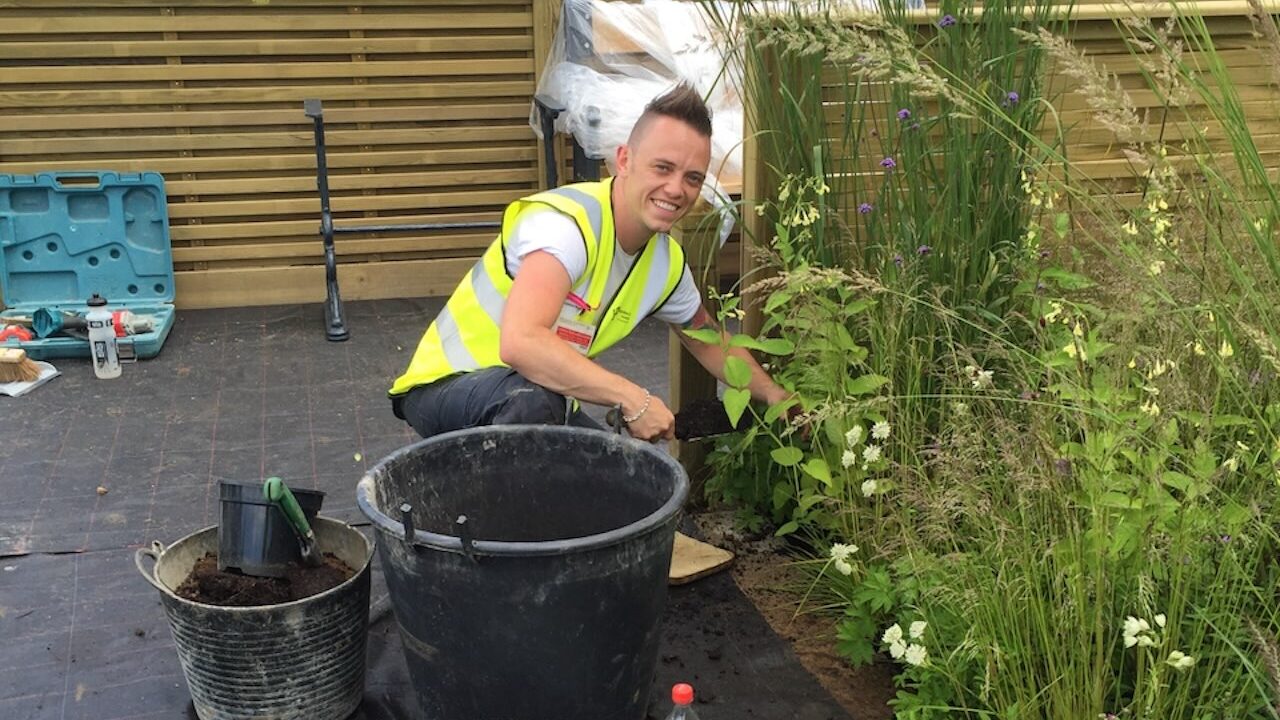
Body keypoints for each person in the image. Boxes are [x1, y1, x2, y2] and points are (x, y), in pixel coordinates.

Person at [389, 82, 791, 442]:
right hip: (449, 388)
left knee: (619, 481)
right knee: (535, 409)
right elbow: (521, 342)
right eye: (663, 168)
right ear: (624, 160)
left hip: (537, 395)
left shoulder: (665, 265)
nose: (676, 188)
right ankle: (492, 525)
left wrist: (777, 397)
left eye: (692, 177)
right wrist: (633, 398)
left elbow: (709, 340)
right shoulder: (567, 227)